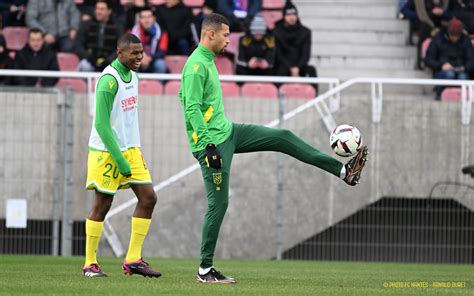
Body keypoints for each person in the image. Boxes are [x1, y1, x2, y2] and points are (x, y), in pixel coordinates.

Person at [178, 13, 368, 284]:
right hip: (213, 145)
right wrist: (208, 145)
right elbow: (191, 107)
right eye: (226, 35)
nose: (229, 40)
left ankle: (342, 171)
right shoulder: (196, 66)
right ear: (210, 34)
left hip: (229, 133)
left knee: (282, 136)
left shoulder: (207, 62)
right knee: (218, 204)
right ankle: (205, 270)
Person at [82, 33, 161, 278]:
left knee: (148, 198)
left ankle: (133, 259)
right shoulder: (108, 80)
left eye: (141, 52)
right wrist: (119, 158)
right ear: (120, 53)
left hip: (131, 149)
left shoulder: (134, 76)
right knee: (103, 205)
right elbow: (102, 125)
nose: (139, 57)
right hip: (107, 151)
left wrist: (130, 151)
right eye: (134, 53)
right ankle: (90, 264)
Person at [425, 18, 473, 99]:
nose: (455, 38)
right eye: (452, 35)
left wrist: (463, 67)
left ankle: (464, 99)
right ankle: (439, 95)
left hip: (461, 69)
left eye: (457, 36)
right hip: (442, 70)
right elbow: (428, 59)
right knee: (449, 74)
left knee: (463, 77)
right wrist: (441, 66)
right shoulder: (438, 39)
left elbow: (471, 60)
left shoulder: (466, 41)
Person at [273, 1, 317, 89]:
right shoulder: (277, 32)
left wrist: (297, 67)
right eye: (288, 15)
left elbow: (306, 54)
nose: (292, 18)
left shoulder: (305, 32)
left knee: (311, 70)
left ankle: (314, 97)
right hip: (284, 65)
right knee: (278, 72)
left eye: (294, 15)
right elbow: (278, 54)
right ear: (284, 16)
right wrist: (290, 67)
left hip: (300, 65)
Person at [75, 0, 124, 72]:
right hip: (90, 61)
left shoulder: (118, 27)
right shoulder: (86, 25)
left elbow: (121, 47)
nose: (98, 12)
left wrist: (109, 60)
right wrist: (89, 57)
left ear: (109, 11)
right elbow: (78, 45)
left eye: (102, 9)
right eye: (97, 9)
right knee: (84, 66)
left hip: (110, 62)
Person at [131, 6, 168, 74]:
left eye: (149, 17)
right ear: (139, 19)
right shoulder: (133, 32)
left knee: (161, 65)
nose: (146, 20)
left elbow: (162, 52)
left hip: (153, 60)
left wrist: (149, 58)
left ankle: (157, 84)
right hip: (138, 60)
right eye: (143, 17)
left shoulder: (162, 32)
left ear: (154, 18)